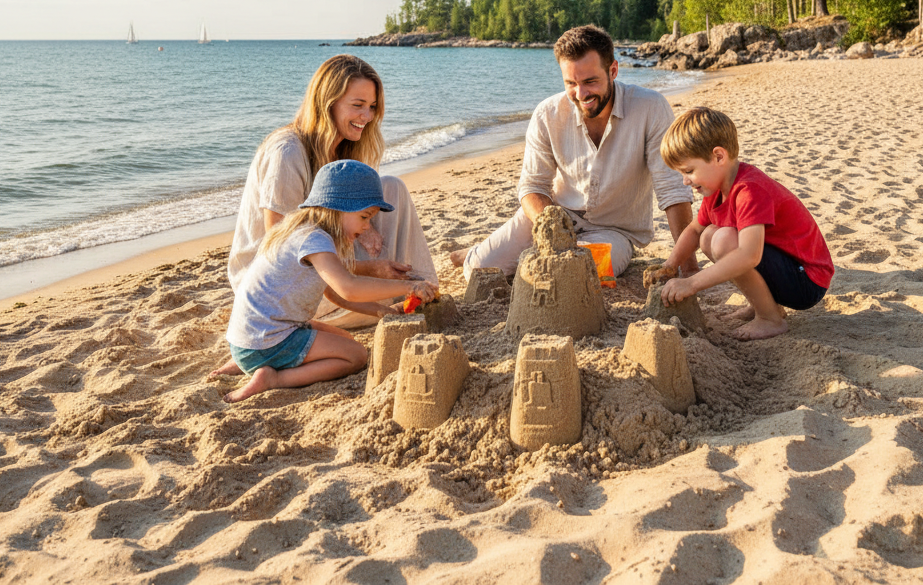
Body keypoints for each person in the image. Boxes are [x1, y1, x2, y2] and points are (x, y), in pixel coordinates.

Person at [451, 24, 694, 279]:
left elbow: (673, 190)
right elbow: (532, 186)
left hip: (614, 232)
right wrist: (554, 230)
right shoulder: (547, 114)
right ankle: (473, 253)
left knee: (575, 275)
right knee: (479, 271)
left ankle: (501, 250)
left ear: (613, 70)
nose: (581, 94)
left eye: (590, 81)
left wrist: (689, 269)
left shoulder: (650, 107)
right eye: (571, 83)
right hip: (552, 216)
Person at [228, 54, 437, 328]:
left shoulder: (343, 148)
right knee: (370, 287)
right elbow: (280, 248)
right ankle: (404, 297)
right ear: (328, 104)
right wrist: (365, 268)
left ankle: (422, 290)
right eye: (358, 105)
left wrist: (368, 225)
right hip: (278, 286)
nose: (367, 116)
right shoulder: (287, 151)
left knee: (391, 188)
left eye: (372, 106)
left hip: (323, 262)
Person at [216, 160, 437, 403]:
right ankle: (274, 379)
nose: (366, 227)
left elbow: (333, 294)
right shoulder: (315, 240)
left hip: (247, 339)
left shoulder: (301, 230)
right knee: (356, 355)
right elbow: (348, 288)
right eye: (364, 217)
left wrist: (382, 311)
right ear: (336, 208)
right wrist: (409, 287)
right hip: (268, 341)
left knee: (346, 339)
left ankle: (246, 362)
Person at [658, 106, 834, 340]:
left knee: (723, 241)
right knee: (709, 235)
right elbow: (694, 230)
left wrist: (692, 283)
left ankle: (770, 318)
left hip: (807, 280)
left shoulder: (749, 190)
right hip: (783, 268)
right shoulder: (715, 190)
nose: (684, 181)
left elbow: (749, 256)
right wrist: (671, 265)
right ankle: (764, 303)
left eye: (689, 170)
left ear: (719, 156)